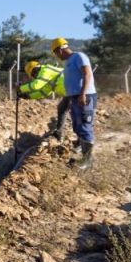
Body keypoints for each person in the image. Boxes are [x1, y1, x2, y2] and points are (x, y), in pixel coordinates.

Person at [51, 37, 98, 169]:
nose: (56, 56)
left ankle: (87, 162)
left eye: (55, 53)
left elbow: (87, 74)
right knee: (78, 127)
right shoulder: (68, 61)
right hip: (75, 97)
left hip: (84, 96)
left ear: (60, 49)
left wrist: (83, 93)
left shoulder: (79, 56)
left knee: (84, 126)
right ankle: (84, 157)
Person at [18, 59, 68, 140]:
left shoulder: (46, 70)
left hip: (75, 89)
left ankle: (82, 142)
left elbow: (36, 85)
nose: (34, 77)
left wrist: (21, 88)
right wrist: (27, 96)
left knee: (76, 114)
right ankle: (59, 133)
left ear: (35, 69)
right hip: (69, 92)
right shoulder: (45, 77)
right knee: (62, 108)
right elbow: (43, 92)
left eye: (33, 74)